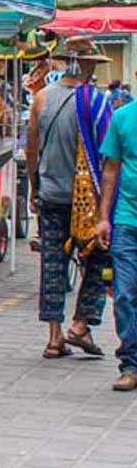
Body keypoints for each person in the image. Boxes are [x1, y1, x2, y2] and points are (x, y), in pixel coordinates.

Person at [26, 37, 113, 360]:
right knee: (100, 259)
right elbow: (108, 158)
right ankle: (80, 324)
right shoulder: (98, 102)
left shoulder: (41, 99)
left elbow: (32, 149)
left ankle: (54, 338)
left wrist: (34, 188)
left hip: (50, 195)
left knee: (52, 265)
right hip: (89, 202)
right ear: (85, 64)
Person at [95, 91, 137, 390]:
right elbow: (110, 169)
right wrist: (103, 217)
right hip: (126, 219)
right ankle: (131, 364)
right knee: (124, 294)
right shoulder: (122, 117)